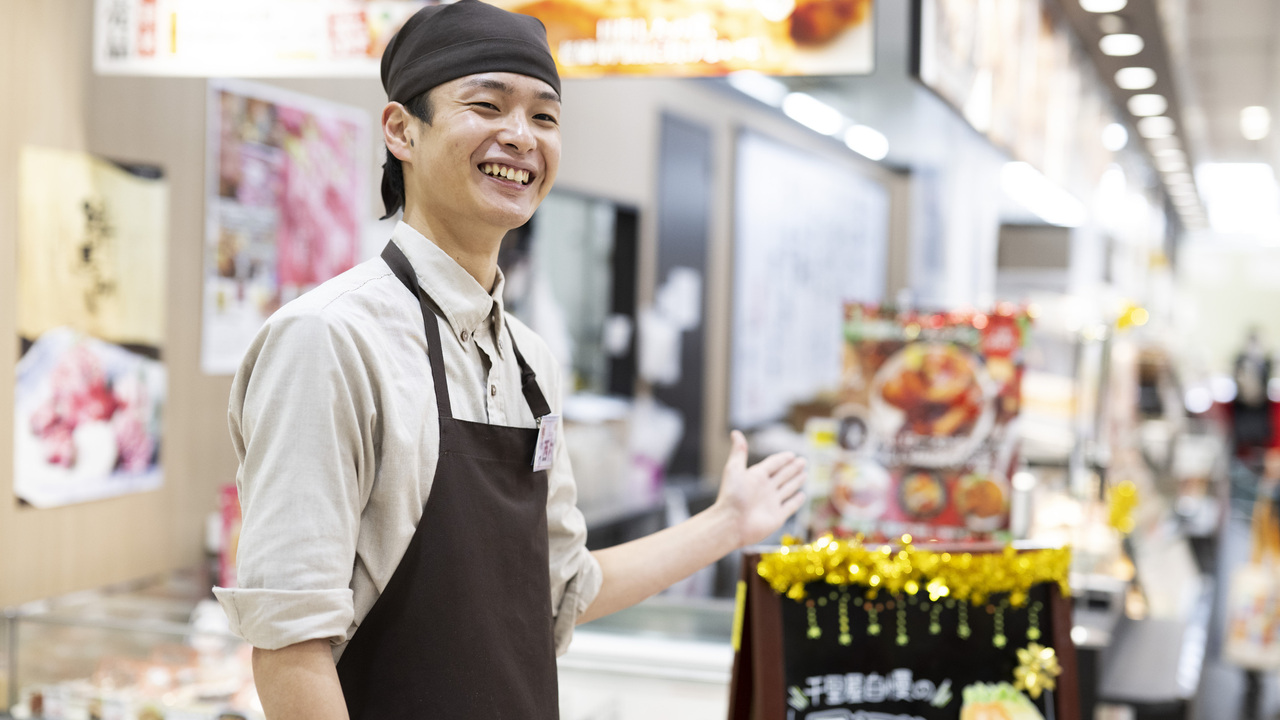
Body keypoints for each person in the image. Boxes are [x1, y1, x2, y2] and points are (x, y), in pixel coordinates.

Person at [212, 2, 807, 718]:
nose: (520, 137)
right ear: (401, 129)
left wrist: (727, 525)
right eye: (486, 105)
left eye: (545, 117)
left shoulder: (530, 360)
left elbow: (562, 588)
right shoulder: (329, 339)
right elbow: (289, 645)